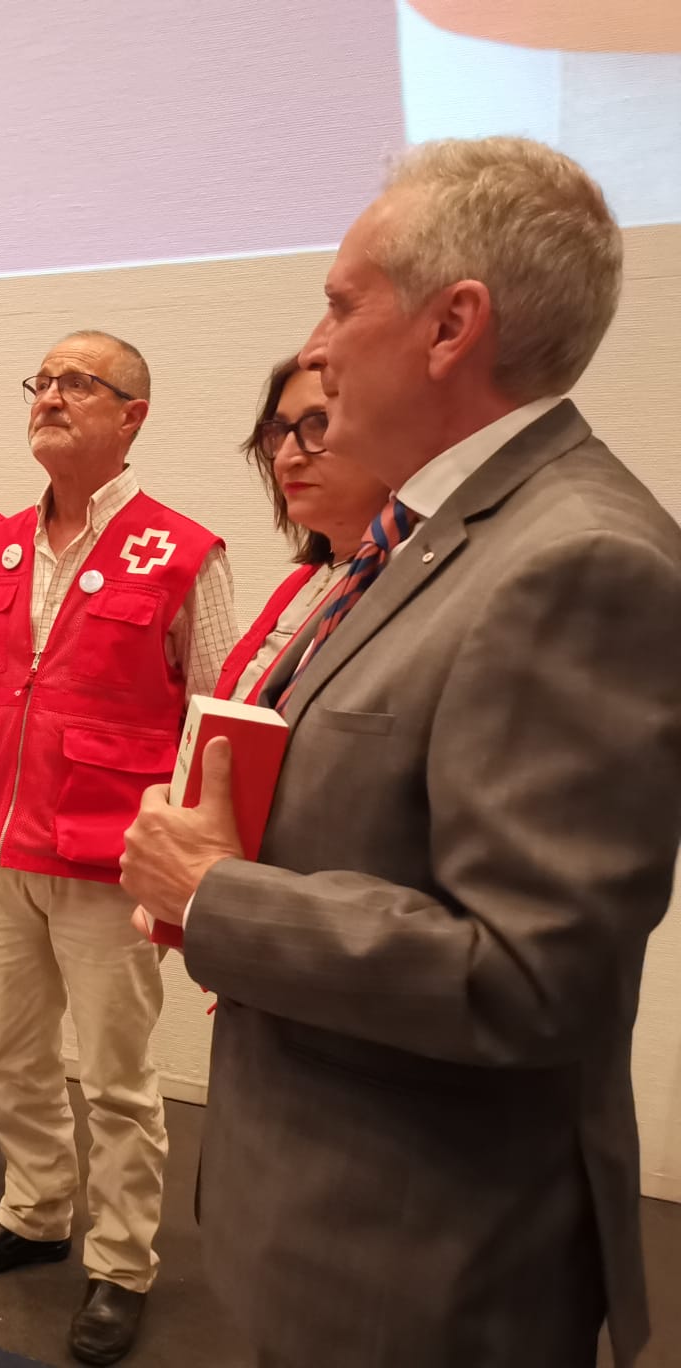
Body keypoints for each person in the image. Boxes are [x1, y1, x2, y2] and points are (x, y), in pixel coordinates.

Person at [121, 137, 681, 1368]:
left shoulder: (575, 560)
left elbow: (532, 975)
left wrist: (219, 896)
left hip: (421, 1267)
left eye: (339, 302)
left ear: (452, 326)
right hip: (347, 1224)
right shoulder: (442, 539)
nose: (314, 347)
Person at [0, 332, 235, 1365]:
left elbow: (212, 724)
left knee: (114, 1079)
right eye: (44, 382)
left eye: (79, 383)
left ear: (132, 415)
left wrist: (187, 874)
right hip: (1, 846)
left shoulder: (184, 551)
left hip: (110, 864)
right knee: (11, 1057)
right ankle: (34, 1214)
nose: (51, 396)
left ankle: (120, 1264)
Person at [212, 358, 392, 704]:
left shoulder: (405, 585)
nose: (286, 457)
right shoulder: (304, 581)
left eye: (320, 424)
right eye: (279, 433)